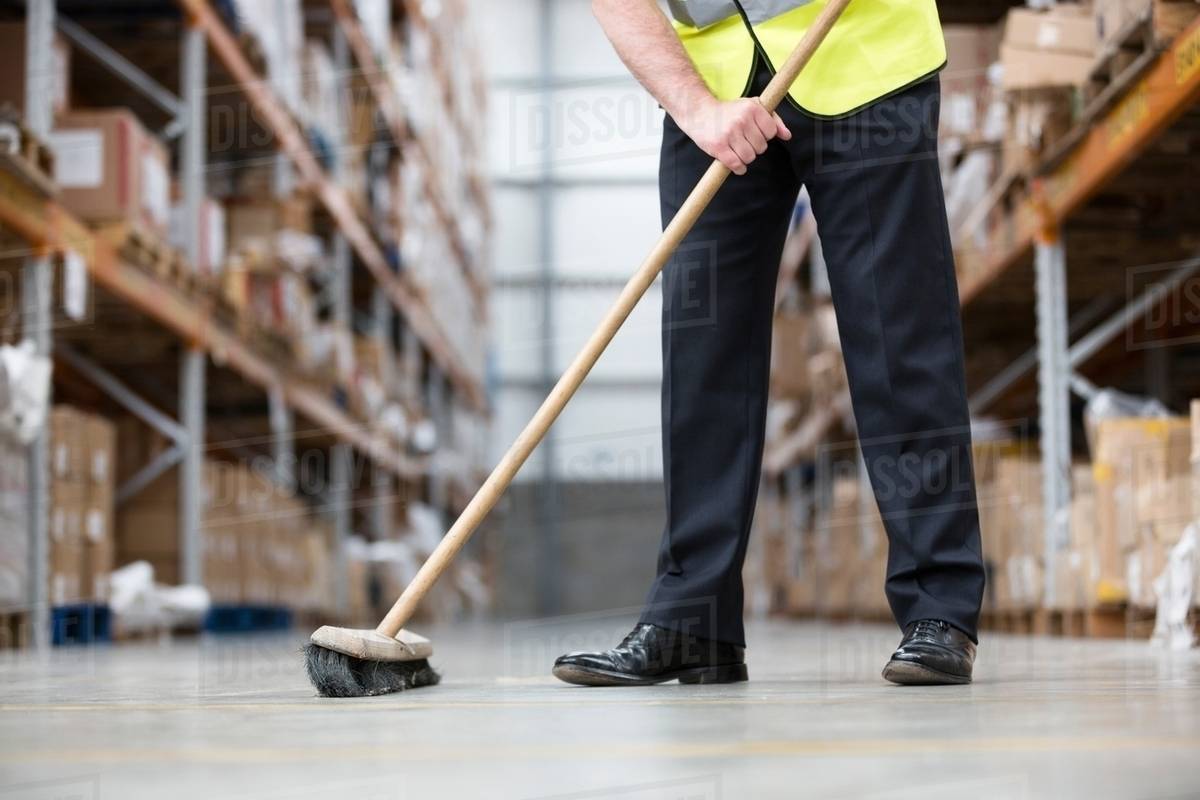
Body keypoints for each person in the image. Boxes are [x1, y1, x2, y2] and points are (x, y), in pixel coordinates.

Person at [553, 0, 986, 687]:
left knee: (898, 335)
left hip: (861, 55)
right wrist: (694, 108)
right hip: (713, 86)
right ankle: (694, 622)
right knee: (703, 356)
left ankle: (942, 608)